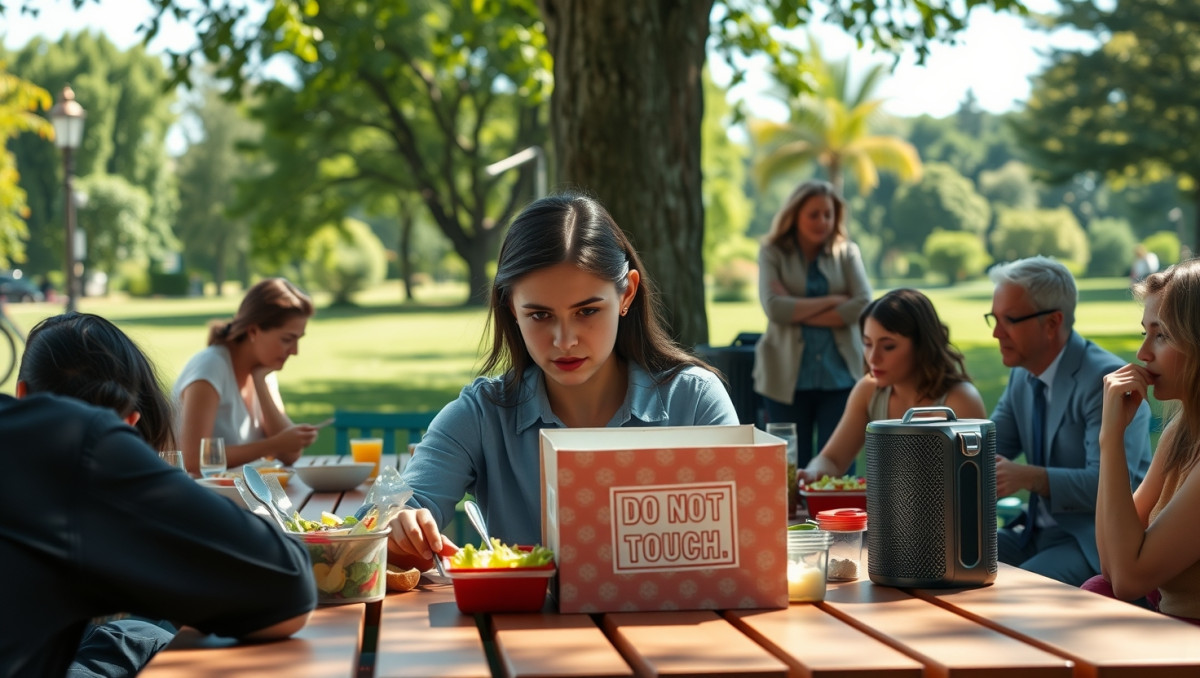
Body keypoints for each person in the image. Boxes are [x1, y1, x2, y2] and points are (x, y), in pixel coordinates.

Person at [386, 193, 740, 570]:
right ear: (512, 309)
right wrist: (398, 526)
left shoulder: (695, 400)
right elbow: (389, 515)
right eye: (540, 315)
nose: (565, 340)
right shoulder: (482, 414)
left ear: (627, 293)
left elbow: (744, 535)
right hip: (517, 629)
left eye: (587, 310)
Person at [3, 312, 316, 678]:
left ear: (21, 393)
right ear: (131, 423)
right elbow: (288, 589)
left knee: (137, 634)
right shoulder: (81, 449)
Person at [988, 255, 1152, 586]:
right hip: (1032, 533)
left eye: (1009, 320)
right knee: (945, 557)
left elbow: (1110, 485)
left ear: (1052, 323)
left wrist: (1029, 477)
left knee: (1015, 593)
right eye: (993, 319)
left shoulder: (1105, 381)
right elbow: (988, 446)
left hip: (1092, 541)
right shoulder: (1024, 374)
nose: (995, 333)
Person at [1085, 259, 1200, 624]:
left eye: (1161, 334)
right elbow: (1112, 564)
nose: (1142, 354)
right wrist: (1111, 437)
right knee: (1095, 590)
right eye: (1144, 333)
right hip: (1168, 633)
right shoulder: (1181, 432)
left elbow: (1129, 580)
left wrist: (1110, 439)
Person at [800, 288, 987, 482]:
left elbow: (976, 484)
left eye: (888, 346)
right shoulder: (868, 390)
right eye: (867, 343)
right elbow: (832, 460)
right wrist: (812, 473)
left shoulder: (961, 400)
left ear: (921, 345)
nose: (873, 358)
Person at [751, 179, 872, 470]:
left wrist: (796, 305)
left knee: (839, 468)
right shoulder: (772, 252)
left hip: (841, 377)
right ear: (795, 215)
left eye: (828, 214)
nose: (823, 221)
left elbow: (863, 305)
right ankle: (793, 519)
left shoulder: (848, 252)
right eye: (813, 214)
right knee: (787, 469)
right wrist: (834, 300)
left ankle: (838, 519)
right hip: (783, 380)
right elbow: (775, 309)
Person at [173, 278, 320, 474]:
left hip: (240, 495)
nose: (294, 351)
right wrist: (272, 445)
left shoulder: (263, 372)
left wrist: (259, 381)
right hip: (197, 497)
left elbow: (289, 454)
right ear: (253, 330)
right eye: (287, 339)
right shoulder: (210, 367)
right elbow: (193, 459)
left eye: (297, 340)